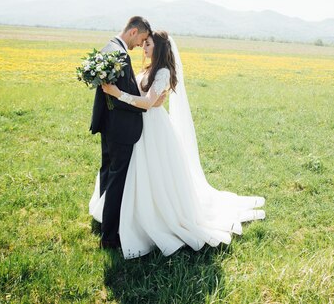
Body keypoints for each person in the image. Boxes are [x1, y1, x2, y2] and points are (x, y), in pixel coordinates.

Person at [90, 31, 265, 258]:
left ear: (160, 47)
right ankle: (128, 216)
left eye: (148, 44)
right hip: (138, 127)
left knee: (153, 174)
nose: (143, 47)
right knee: (136, 173)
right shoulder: (147, 69)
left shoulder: (162, 71)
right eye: (143, 43)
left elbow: (147, 103)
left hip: (153, 128)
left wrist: (117, 93)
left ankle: (150, 219)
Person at [89, 16, 163, 249]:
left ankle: (103, 220)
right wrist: (146, 101)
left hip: (107, 124)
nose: (141, 45)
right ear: (133, 32)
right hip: (120, 127)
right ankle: (110, 237)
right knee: (116, 180)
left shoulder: (107, 47)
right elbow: (119, 94)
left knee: (107, 172)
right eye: (141, 39)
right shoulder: (120, 55)